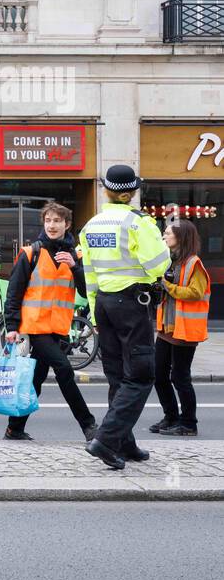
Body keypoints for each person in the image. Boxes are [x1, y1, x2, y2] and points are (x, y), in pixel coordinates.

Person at [78, 165, 172, 469]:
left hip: (104, 303)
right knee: (142, 375)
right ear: (131, 192)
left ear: (106, 189)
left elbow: (88, 275)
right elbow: (158, 264)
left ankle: (125, 444)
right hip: (132, 303)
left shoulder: (91, 225)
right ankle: (106, 439)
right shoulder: (138, 223)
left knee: (117, 375)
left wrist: (94, 312)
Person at [1, 202, 97, 442]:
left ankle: (14, 428)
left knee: (37, 378)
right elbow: (13, 293)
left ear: (67, 224)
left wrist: (75, 267)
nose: (52, 225)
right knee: (64, 369)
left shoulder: (76, 256)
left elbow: (87, 292)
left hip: (58, 328)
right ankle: (89, 426)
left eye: (57, 221)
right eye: (48, 221)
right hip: (34, 327)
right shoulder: (30, 253)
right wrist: (12, 327)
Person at [152, 219, 210, 437]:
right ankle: (171, 417)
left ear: (181, 237)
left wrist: (168, 287)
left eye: (168, 233)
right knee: (158, 374)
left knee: (180, 376)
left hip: (185, 329)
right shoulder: (169, 261)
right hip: (167, 328)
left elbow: (196, 293)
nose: (164, 236)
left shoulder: (194, 263)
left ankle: (188, 423)